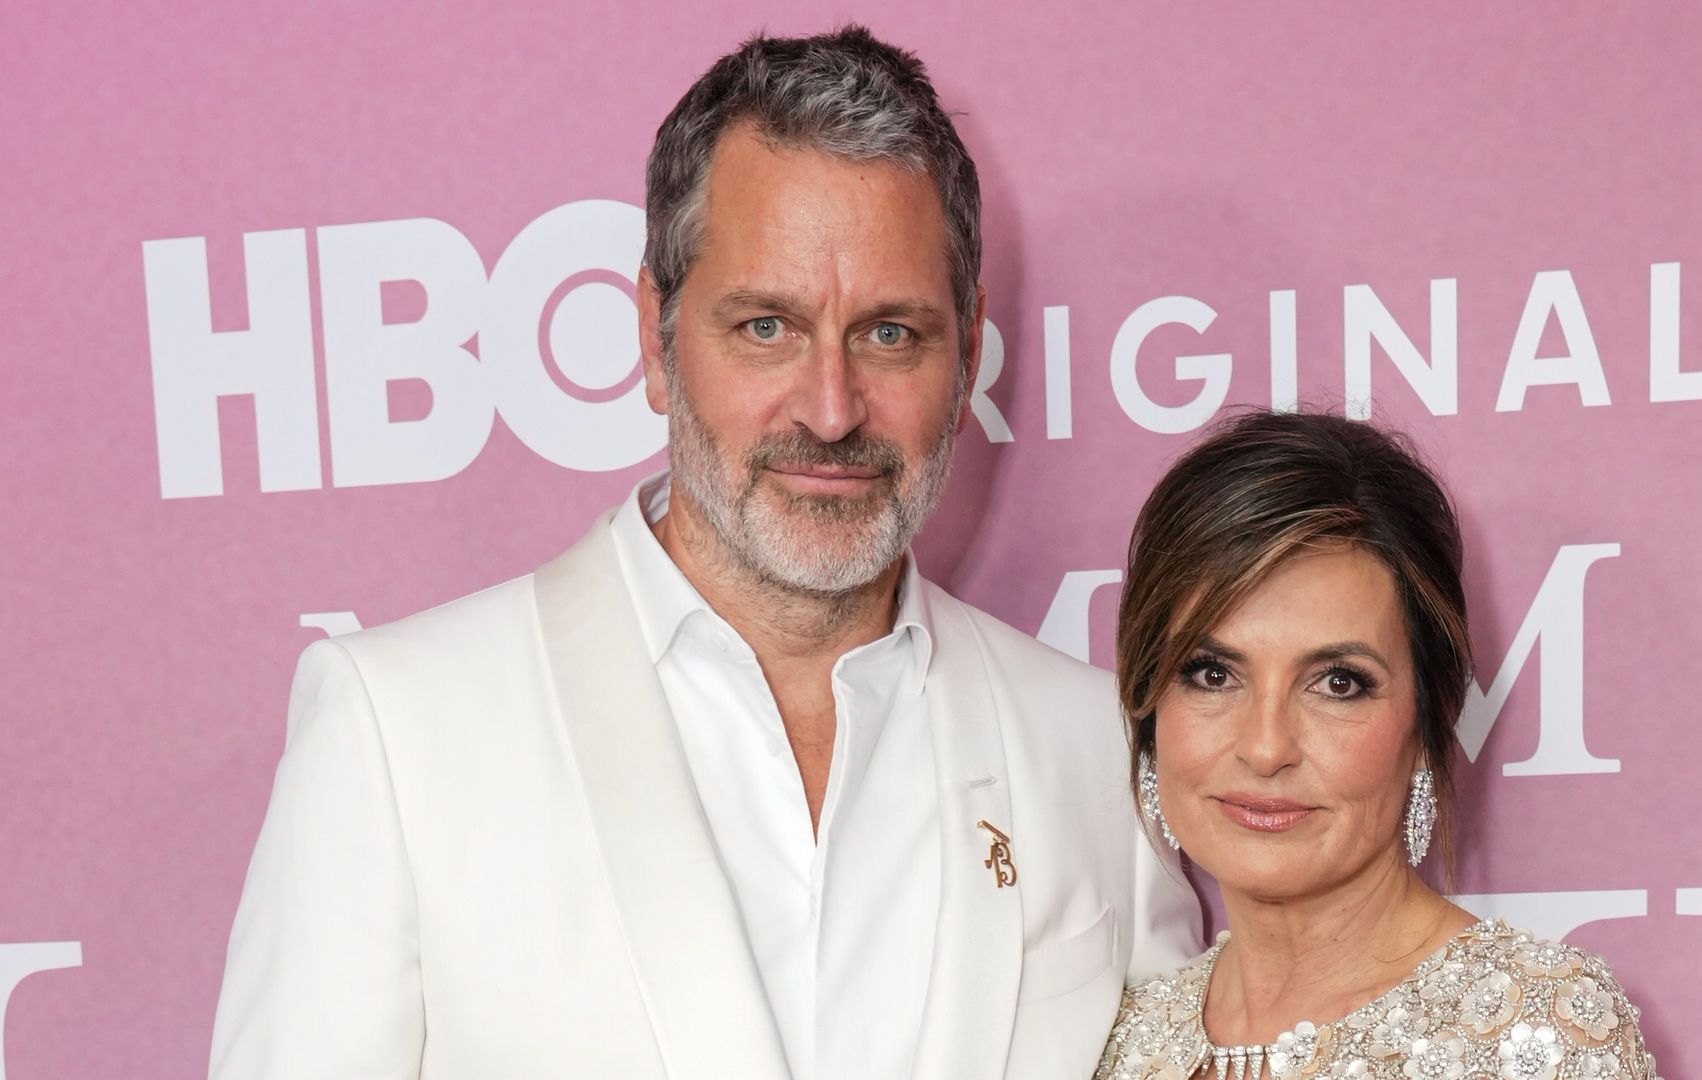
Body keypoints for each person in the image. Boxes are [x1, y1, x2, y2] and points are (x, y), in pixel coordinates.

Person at [209, 26, 1201, 1080]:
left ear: (967, 356)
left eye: (890, 334)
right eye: (766, 327)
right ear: (654, 335)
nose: (830, 411)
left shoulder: (1095, 747)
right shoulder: (396, 735)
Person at [1094, 411, 1661, 1080]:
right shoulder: (1117, 1042)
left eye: (1338, 683)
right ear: (1150, 702)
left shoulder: (1534, 1038)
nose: (1266, 745)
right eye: (1212, 674)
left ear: (1427, 725)